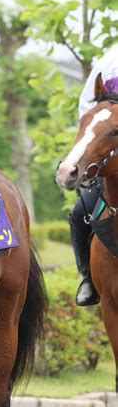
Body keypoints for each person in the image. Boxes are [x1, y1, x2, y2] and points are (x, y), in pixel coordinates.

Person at [69, 44, 118, 306]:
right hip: (111, 152)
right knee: (80, 213)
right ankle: (88, 278)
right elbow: (87, 107)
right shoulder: (108, 62)